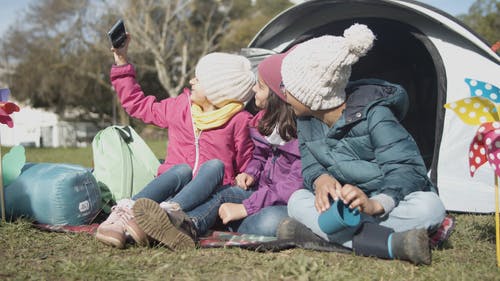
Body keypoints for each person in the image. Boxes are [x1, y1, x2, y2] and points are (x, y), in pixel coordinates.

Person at [276, 23, 446, 265]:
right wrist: (319, 179)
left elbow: (407, 169)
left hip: (388, 201)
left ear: (311, 94)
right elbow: (311, 166)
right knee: (296, 201)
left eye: (287, 87)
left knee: (431, 207)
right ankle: (391, 244)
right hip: (347, 207)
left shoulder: (376, 115)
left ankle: (324, 238)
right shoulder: (306, 120)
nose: (283, 93)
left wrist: (376, 204)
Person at [95, 33, 255, 249]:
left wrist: (247, 175)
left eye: (198, 80)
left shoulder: (239, 120)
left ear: (217, 91)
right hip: (170, 193)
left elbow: (247, 161)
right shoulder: (180, 107)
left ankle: (158, 221)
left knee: (215, 165)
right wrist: (122, 63)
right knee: (181, 170)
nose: (191, 81)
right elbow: (138, 105)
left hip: (202, 199)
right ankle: (126, 212)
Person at [131, 51, 304, 249]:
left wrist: (246, 207)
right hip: (256, 193)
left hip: (276, 201)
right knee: (222, 195)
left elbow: (290, 186)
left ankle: (182, 224)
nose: (254, 88)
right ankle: (182, 224)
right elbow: (259, 156)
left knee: (267, 221)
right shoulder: (263, 122)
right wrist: (251, 173)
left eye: (261, 86)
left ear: (277, 95)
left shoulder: (299, 134)